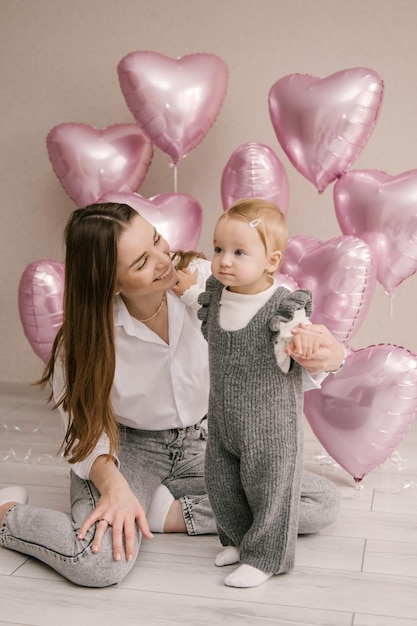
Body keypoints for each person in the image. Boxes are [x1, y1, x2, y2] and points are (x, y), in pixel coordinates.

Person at [0, 202, 344, 588]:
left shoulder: (210, 282)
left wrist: (324, 357)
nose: (164, 259)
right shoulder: (83, 340)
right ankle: (6, 513)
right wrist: (116, 488)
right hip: (125, 450)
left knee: (319, 503)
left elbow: (271, 333)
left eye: (157, 239)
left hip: (205, 442)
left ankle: (170, 514)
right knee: (96, 565)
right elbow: (83, 434)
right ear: (111, 283)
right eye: (142, 262)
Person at [195, 198, 341, 588]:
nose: (224, 260)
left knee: (270, 490)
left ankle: (267, 557)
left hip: (271, 428)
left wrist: (307, 348)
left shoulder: (283, 308)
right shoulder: (217, 294)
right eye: (219, 249)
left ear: (271, 261)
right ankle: (240, 540)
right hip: (223, 420)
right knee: (222, 483)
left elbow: (308, 349)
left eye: (239, 252)